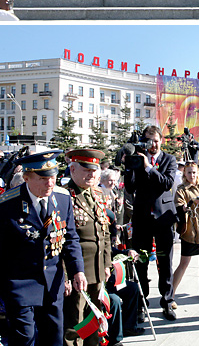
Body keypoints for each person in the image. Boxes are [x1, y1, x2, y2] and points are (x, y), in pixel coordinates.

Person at [0, 148, 87, 343]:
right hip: (19, 285)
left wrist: (77, 271)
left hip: (52, 284)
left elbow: (70, 239)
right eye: (42, 178)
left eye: (53, 177)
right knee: (25, 338)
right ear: (26, 177)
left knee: (54, 338)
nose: (50, 183)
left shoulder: (62, 199)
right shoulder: (5, 205)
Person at [65, 147, 122, 346]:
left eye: (94, 170)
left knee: (95, 319)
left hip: (98, 269)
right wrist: (66, 275)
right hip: (77, 272)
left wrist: (107, 264)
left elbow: (105, 232)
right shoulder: (65, 196)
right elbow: (61, 240)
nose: (92, 174)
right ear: (72, 170)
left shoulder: (98, 194)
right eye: (86, 169)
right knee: (76, 322)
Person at [125, 125, 177, 319]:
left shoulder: (169, 159)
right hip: (142, 218)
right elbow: (130, 187)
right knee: (141, 262)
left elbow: (166, 182)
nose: (153, 144)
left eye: (156, 140)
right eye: (149, 140)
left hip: (163, 218)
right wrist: (129, 165)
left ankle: (167, 301)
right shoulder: (137, 159)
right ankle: (141, 302)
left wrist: (148, 166)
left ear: (161, 140)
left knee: (165, 262)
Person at [173, 160, 199, 299]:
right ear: (185, 173)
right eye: (189, 172)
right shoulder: (181, 189)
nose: (192, 175)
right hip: (189, 231)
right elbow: (179, 207)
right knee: (184, 262)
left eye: (194, 172)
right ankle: (170, 294)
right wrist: (191, 202)